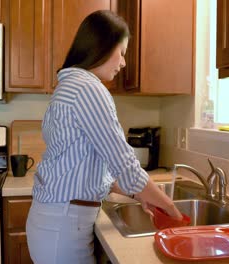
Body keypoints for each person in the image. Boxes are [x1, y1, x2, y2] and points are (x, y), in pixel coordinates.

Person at [25, 10, 182, 264]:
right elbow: (125, 164)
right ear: (102, 47)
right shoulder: (87, 88)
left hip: (58, 222)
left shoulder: (70, 85)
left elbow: (90, 171)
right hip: (63, 226)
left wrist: (141, 195)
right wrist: (171, 208)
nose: (123, 63)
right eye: (122, 53)